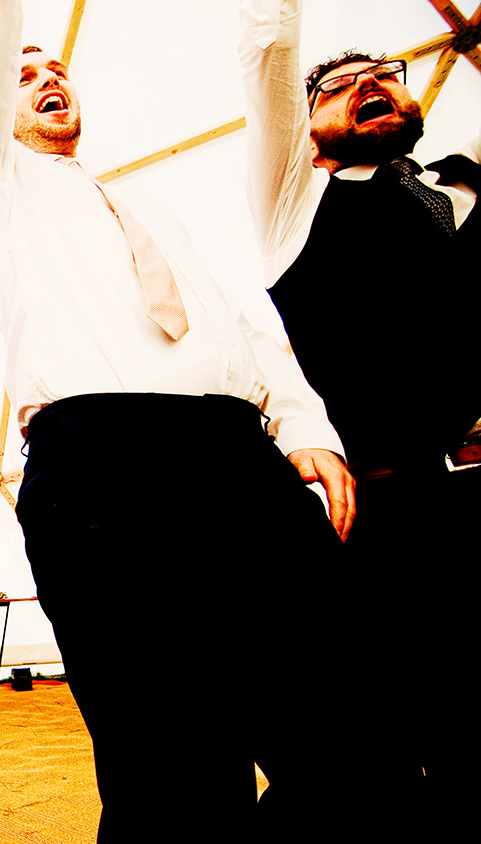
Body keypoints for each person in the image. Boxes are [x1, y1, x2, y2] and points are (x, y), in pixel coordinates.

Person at [0, 1, 367, 840]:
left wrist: (307, 424)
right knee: (174, 771)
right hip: (102, 471)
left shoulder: (153, 210)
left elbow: (240, 329)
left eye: (54, 67)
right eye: (22, 76)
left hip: (240, 458)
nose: (45, 76)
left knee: (352, 739)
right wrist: (0, 51)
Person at [240, 0, 478, 835]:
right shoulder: (293, 201)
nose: (367, 86)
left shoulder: (455, 199)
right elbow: (270, 47)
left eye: (383, 76)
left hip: (464, 509)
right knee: (352, 755)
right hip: (358, 523)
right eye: (339, 87)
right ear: (306, 132)